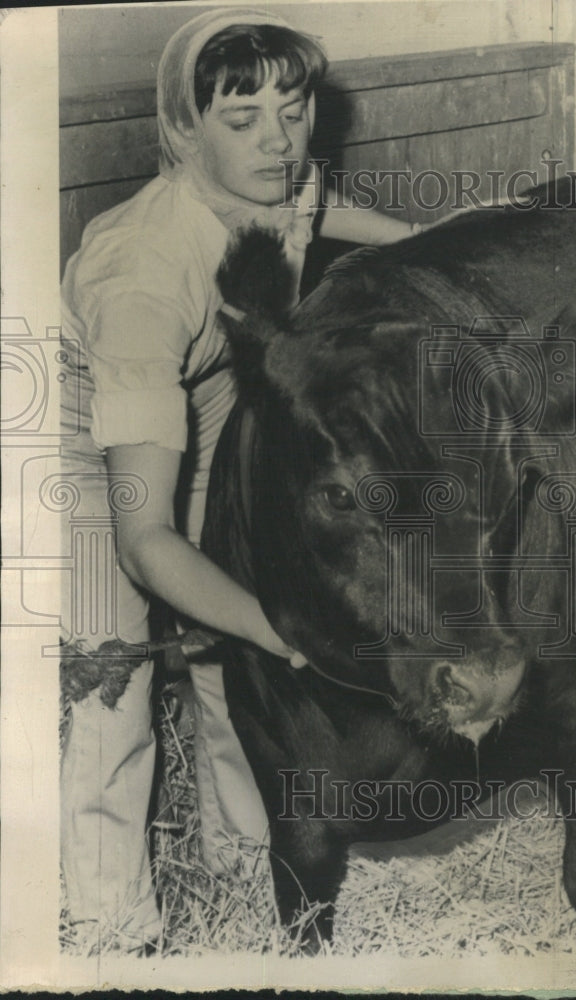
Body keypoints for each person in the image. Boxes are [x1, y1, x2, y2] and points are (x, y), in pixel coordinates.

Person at [59, 7, 415, 951]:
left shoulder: (274, 175)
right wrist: (280, 626)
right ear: (182, 129)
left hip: (211, 382)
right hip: (90, 423)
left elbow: (314, 208)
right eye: (241, 116)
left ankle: (238, 861)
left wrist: (427, 238)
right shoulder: (141, 269)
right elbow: (146, 545)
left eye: (292, 110)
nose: (279, 140)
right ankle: (109, 929)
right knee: (111, 669)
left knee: (234, 623)